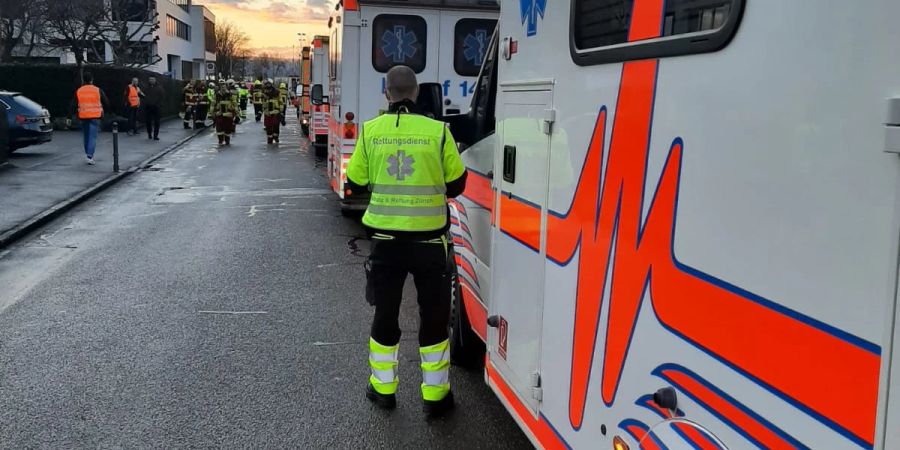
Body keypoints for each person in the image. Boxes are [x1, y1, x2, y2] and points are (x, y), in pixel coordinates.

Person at [345, 65, 467, 417]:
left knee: (385, 314)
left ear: (387, 93)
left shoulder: (371, 132)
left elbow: (356, 180)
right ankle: (435, 397)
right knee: (434, 317)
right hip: (430, 245)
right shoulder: (439, 132)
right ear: (416, 93)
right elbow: (458, 185)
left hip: (385, 244)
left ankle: (383, 390)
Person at [68, 72, 111, 165]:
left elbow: (73, 104)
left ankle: (87, 152)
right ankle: (89, 156)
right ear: (92, 79)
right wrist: (106, 110)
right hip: (95, 116)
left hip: (83, 116)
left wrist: (69, 116)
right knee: (92, 137)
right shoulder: (97, 90)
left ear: (84, 80)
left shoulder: (79, 90)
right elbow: (106, 102)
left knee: (86, 136)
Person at [263, 80, 284, 144]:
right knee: (268, 126)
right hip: (267, 112)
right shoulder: (264, 92)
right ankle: (270, 138)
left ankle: (276, 136)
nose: (267, 88)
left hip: (275, 111)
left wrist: (281, 110)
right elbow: (262, 102)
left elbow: (280, 101)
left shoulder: (277, 92)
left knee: (276, 126)